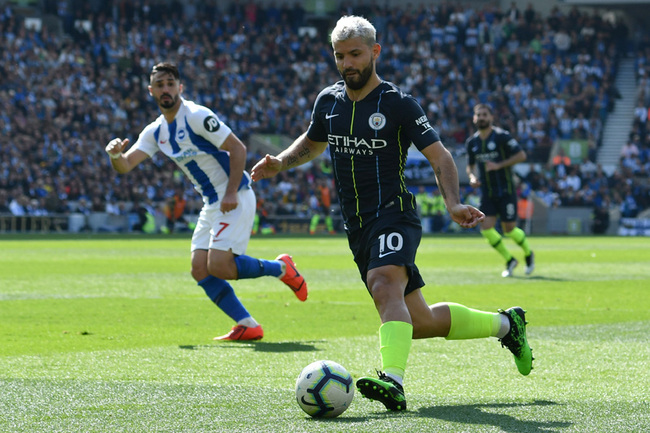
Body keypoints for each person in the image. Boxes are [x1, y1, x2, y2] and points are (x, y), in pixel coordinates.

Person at [251, 16, 533, 412]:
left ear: (374, 52)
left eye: (355, 54)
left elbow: (440, 156)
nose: (348, 63)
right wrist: (281, 162)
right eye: (340, 56)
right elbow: (314, 142)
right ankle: (508, 325)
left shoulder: (398, 104)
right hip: (357, 225)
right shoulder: (328, 101)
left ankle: (394, 383)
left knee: (384, 284)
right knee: (418, 322)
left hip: (394, 214)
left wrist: (452, 203)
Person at [105, 62, 308, 341]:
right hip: (212, 202)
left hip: (235, 196)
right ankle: (247, 325)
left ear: (180, 87)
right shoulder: (155, 132)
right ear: (151, 91)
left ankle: (282, 268)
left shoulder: (198, 116)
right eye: (160, 85)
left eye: (170, 83)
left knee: (220, 266)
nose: (166, 89)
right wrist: (115, 155)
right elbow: (126, 165)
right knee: (199, 268)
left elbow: (238, 148)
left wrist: (231, 192)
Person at [466, 104, 535, 277]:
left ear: (491, 118)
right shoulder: (472, 143)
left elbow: (521, 155)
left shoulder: (502, 137)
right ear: (474, 119)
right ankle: (510, 260)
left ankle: (528, 252)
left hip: (506, 191)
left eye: (484, 114)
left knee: (509, 229)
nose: (481, 117)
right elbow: (470, 166)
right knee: (486, 229)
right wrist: (472, 178)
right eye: (478, 115)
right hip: (487, 193)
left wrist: (499, 165)